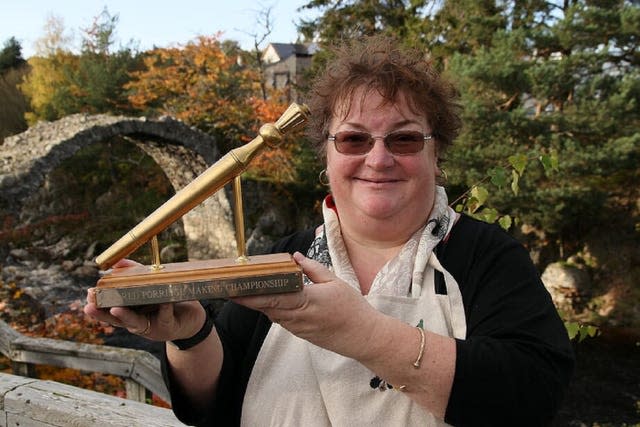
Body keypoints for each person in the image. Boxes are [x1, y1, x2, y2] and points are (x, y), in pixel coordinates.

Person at [84, 35, 574, 426]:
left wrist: (365, 334)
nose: (378, 158)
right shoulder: (284, 257)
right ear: (327, 155)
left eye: (403, 138)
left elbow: (531, 397)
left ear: (436, 152)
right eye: (353, 138)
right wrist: (189, 334)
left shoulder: (487, 257)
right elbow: (215, 402)